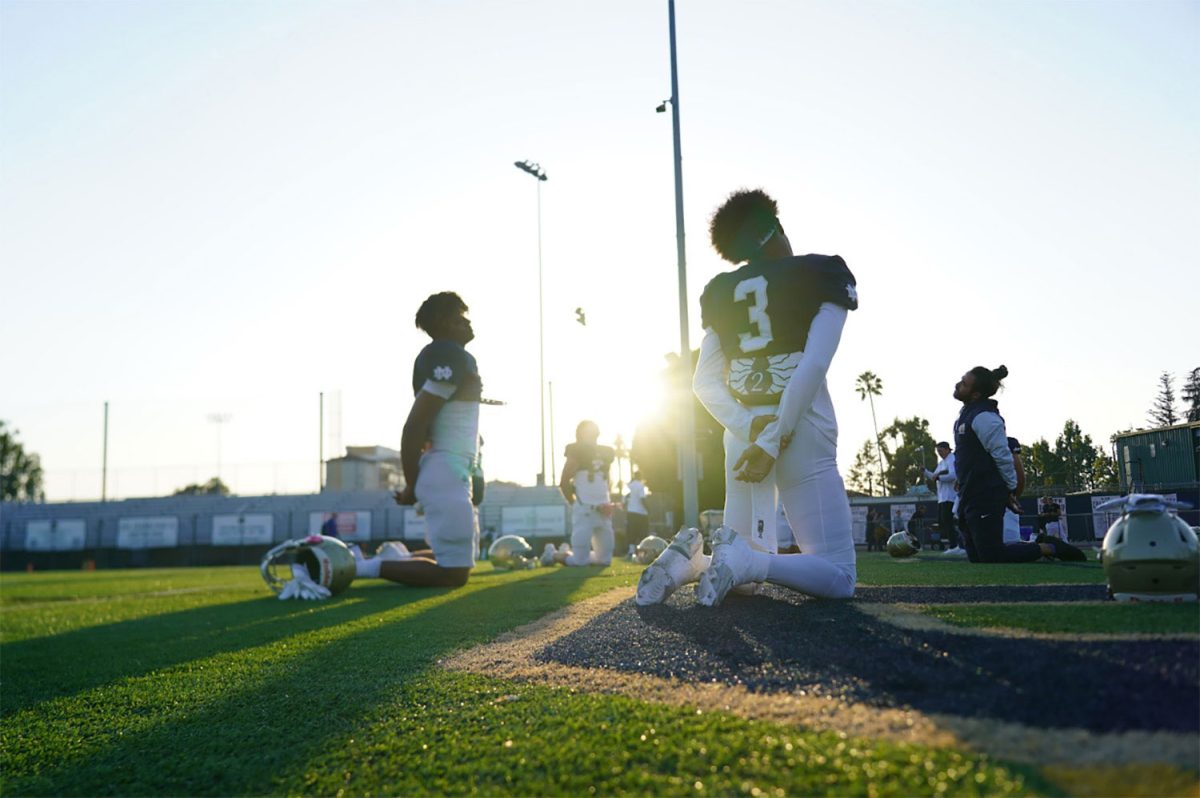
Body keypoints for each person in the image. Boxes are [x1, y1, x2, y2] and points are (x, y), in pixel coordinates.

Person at [637, 188, 859, 606]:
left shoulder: (722, 290)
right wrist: (772, 438)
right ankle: (745, 561)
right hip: (799, 428)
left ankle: (690, 563)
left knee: (741, 580)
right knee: (839, 575)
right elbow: (811, 367)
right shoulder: (821, 271)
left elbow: (703, 382)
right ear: (775, 226)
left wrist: (748, 427)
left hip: (740, 434)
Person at [356, 292, 481, 587]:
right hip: (444, 471)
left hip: (449, 469)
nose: (468, 321)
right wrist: (412, 484)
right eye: (460, 316)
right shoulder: (448, 354)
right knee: (453, 574)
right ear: (443, 321)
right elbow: (414, 427)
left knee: (454, 560)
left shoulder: (453, 357)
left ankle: (387, 559)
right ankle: (359, 567)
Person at [952, 365, 1084, 564]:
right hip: (969, 491)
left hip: (986, 492)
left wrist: (1010, 489)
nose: (958, 384)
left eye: (964, 383)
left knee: (992, 556)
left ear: (976, 394)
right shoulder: (967, 413)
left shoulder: (985, 417)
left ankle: (1050, 547)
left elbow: (1003, 457)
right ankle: (1041, 542)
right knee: (977, 557)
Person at [556, 420, 616, 566]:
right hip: (584, 509)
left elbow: (607, 481)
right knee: (580, 561)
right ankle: (554, 555)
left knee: (605, 560)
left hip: (603, 509)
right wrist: (575, 503)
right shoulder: (576, 451)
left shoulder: (606, 452)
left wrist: (607, 502)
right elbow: (564, 481)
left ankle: (565, 553)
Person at [923, 442, 964, 555]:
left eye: (940, 451)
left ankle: (956, 545)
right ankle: (955, 544)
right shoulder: (941, 463)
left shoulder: (952, 460)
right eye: (938, 451)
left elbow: (953, 475)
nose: (939, 453)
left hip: (950, 496)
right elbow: (933, 477)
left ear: (947, 450)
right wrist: (925, 472)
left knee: (949, 521)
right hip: (942, 497)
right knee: (944, 522)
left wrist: (939, 477)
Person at [1002, 437, 1025, 543]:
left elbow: (1020, 478)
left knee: (1010, 543)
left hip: (1005, 501)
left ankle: (1048, 548)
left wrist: (1014, 496)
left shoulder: (1008, 445)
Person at [625, 471, 650, 543]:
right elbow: (642, 499)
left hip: (630, 512)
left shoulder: (629, 485)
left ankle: (631, 550)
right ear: (640, 476)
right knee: (642, 533)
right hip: (640, 513)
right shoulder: (640, 485)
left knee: (632, 532)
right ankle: (642, 550)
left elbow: (625, 498)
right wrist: (648, 509)